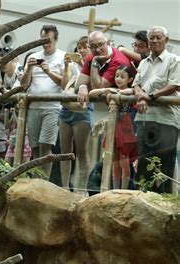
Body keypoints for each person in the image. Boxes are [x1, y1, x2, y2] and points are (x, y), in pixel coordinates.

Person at [132, 26, 179, 193]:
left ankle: (164, 206)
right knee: (144, 165)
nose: (154, 40)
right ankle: (143, 201)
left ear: (166, 40)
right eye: (151, 37)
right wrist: (140, 95)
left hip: (166, 120)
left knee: (164, 166)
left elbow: (174, 85)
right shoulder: (143, 62)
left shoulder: (174, 60)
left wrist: (148, 96)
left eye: (158, 37)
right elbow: (136, 85)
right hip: (145, 119)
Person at [19, 25, 65, 179]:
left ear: (56, 39)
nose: (45, 44)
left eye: (48, 40)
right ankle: (35, 178)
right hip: (33, 107)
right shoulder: (34, 56)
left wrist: (48, 71)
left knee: (46, 146)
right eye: (42, 40)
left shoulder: (62, 57)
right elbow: (23, 85)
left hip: (52, 107)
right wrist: (29, 69)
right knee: (35, 147)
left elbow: (65, 83)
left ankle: (43, 181)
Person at [89, 66, 138, 189]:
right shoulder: (112, 90)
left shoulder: (131, 91)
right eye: (116, 76)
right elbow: (91, 93)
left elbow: (132, 92)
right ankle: (115, 189)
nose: (118, 79)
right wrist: (108, 89)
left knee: (124, 162)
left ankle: (124, 189)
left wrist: (118, 92)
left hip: (125, 128)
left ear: (130, 79)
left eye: (122, 77)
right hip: (114, 127)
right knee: (115, 163)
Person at [58, 36, 93, 194]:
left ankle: (82, 188)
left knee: (82, 151)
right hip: (66, 110)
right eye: (80, 47)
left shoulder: (94, 65)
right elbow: (64, 85)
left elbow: (93, 82)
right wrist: (66, 66)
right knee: (65, 152)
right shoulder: (71, 65)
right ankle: (65, 187)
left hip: (83, 110)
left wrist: (82, 64)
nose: (82, 50)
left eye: (85, 47)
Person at [76, 31, 131, 106]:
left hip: (130, 106)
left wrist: (94, 62)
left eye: (100, 45)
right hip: (112, 106)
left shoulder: (118, 61)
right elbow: (77, 86)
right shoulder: (91, 57)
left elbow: (97, 88)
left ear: (107, 43)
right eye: (93, 46)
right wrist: (83, 86)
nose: (98, 50)